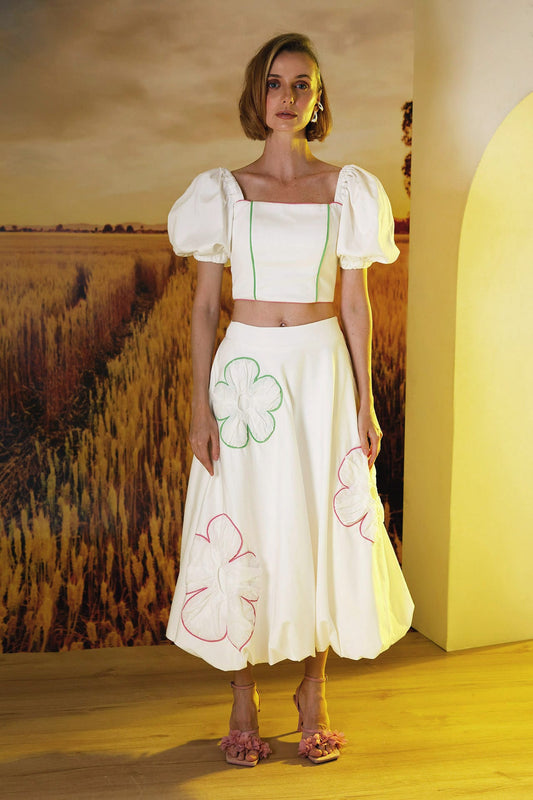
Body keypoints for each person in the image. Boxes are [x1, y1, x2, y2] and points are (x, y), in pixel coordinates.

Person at [166, 32, 414, 767]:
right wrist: (198, 406)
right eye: (275, 83)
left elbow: (356, 307)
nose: (287, 96)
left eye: (301, 84)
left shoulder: (348, 190)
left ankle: (313, 690)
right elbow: (203, 309)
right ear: (257, 94)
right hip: (244, 379)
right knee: (241, 519)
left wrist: (366, 401)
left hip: (320, 375)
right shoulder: (221, 192)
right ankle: (242, 697)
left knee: (317, 522)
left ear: (317, 98)